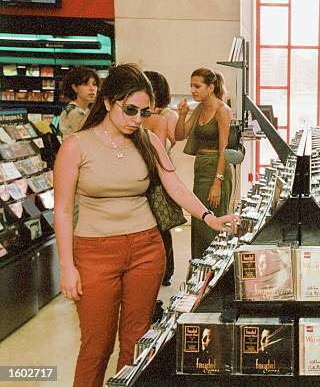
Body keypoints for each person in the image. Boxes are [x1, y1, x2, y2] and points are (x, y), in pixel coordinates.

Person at [54, 63, 237, 387]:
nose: (137, 119)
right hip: (94, 253)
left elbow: (175, 185)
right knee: (96, 346)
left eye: (144, 112)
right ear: (109, 102)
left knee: (137, 342)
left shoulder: (147, 140)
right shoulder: (76, 146)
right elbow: (64, 211)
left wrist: (209, 217)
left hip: (146, 250)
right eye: (130, 110)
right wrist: (67, 266)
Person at [175, 68, 233, 258]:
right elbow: (180, 135)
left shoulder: (223, 111)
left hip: (217, 169)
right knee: (199, 220)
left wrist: (217, 182)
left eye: (197, 86)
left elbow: (224, 148)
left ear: (211, 87)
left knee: (213, 223)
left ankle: (213, 270)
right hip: (201, 168)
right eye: (191, 86)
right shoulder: (199, 108)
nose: (193, 90)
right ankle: (199, 270)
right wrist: (182, 114)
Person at [142, 70, 179, 286]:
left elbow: (168, 144)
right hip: (148, 178)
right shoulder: (143, 118)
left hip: (159, 177)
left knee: (162, 226)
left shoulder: (163, 117)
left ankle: (165, 270)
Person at [57, 67, 100, 136]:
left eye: (94, 84)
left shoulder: (85, 110)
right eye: (85, 84)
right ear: (74, 87)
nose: (92, 88)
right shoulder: (74, 111)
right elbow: (90, 135)